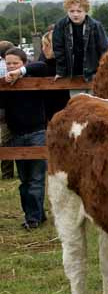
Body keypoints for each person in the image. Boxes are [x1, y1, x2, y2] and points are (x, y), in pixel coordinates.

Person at [1, 48, 51, 229]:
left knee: (36, 178)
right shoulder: (5, 84)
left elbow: (43, 66)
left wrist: (20, 73)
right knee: (24, 180)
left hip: (36, 133)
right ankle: (36, 214)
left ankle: (33, 219)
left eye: (15, 63)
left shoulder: (33, 75)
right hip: (17, 136)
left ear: (24, 63)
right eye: (8, 64)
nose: (11, 66)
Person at [52, 0, 108, 82]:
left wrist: (103, 71)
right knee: (76, 96)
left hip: (93, 72)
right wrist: (61, 72)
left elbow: (103, 50)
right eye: (72, 11)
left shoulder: (95, 26)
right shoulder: (60, 26)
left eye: (79, 11)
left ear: (86, 11)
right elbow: (59, 51)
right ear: (67, 11)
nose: (75, 14)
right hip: (72, 74)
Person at [0, 41, 16, 179]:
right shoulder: (15, 65)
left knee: (5, 139)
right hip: (10, 106)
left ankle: (7, 173)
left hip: (3, 107)